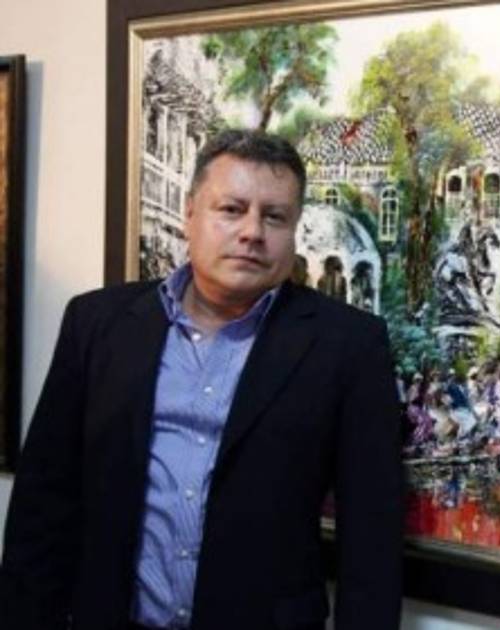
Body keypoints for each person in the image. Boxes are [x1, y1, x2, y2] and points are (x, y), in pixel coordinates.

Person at [0, 130, 403, 630]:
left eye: (274, 216)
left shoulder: (349, 345)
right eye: (231, 209)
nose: (252, 232)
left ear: (294, 230)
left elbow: (371, 536)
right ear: (190, 213)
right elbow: (44, 501)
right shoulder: (98, 324)